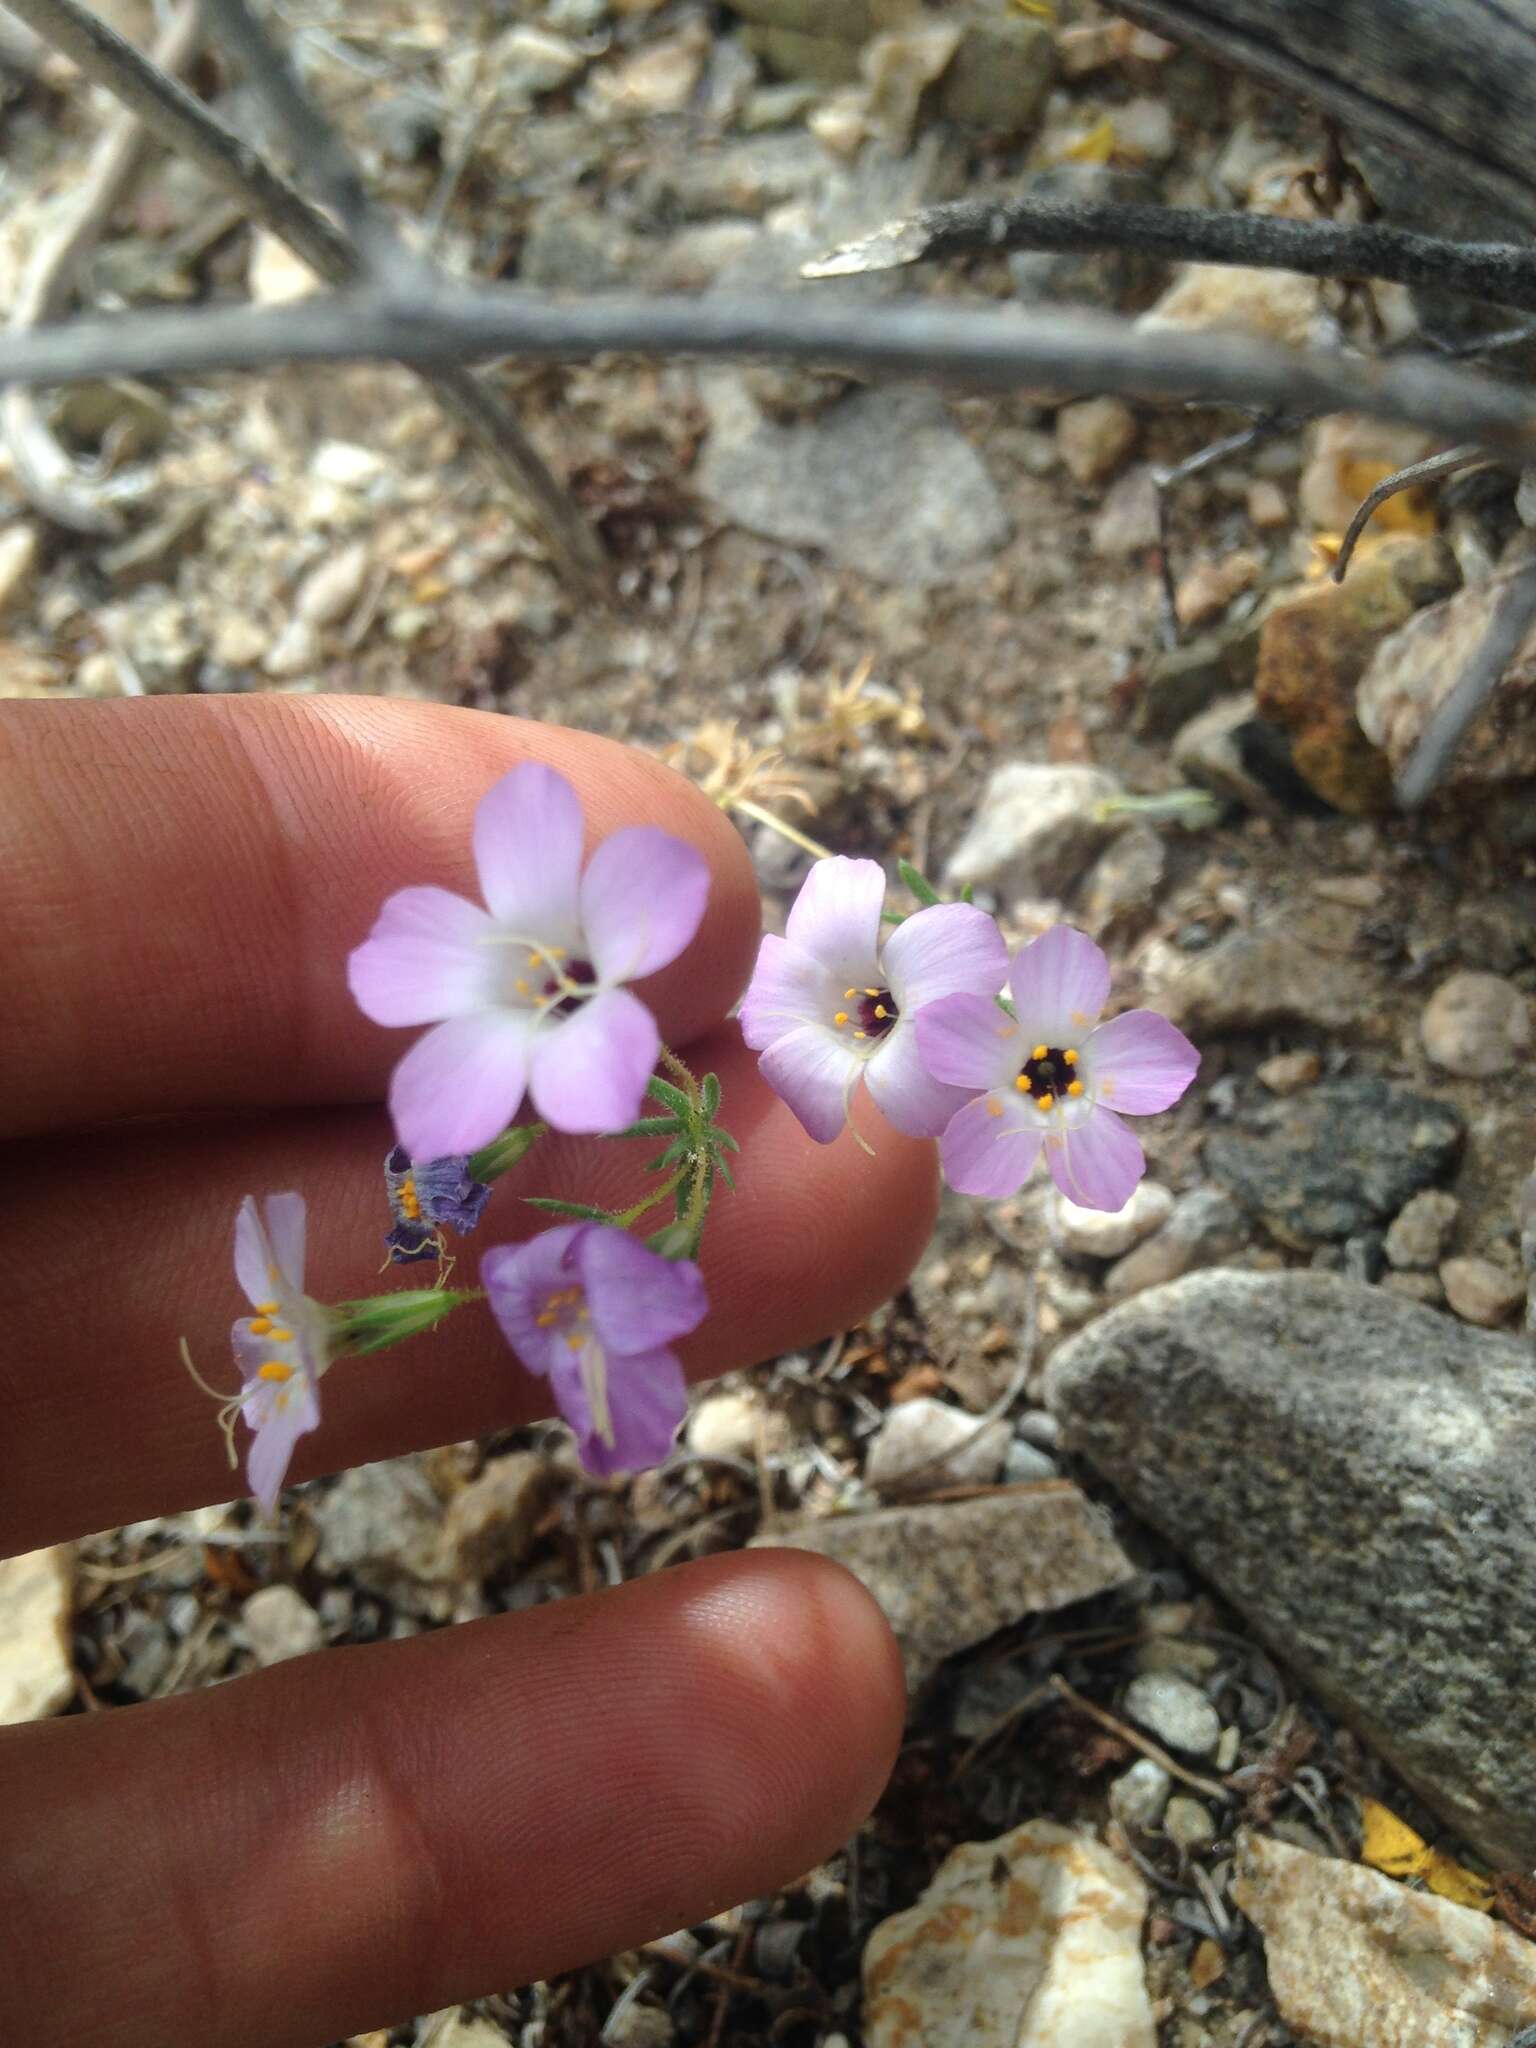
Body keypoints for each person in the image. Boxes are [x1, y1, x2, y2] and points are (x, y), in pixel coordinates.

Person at [0, 692, 936, 2047]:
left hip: (587, 1108)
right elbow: (460, 1082)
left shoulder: (601, 1012)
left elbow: (588, 1050)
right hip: (538, 1136)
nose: (557, 984)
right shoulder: (497, 1111)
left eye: (565, 976)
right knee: (479, 1206)